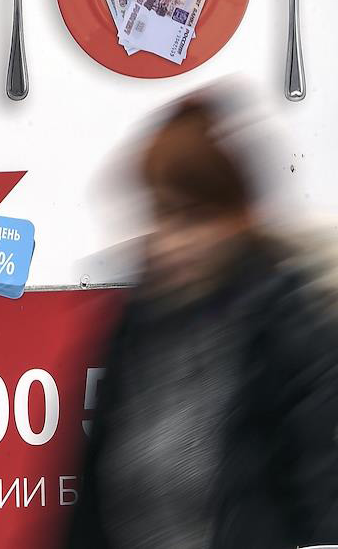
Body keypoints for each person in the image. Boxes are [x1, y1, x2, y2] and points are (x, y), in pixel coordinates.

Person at [66, 90, 338, 549]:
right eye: (160, 214)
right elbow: (89, 501)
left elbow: (322, 498)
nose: (170, 241)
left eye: (192, 219)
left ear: (237, 219)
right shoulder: (134, 327)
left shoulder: (290, 333)